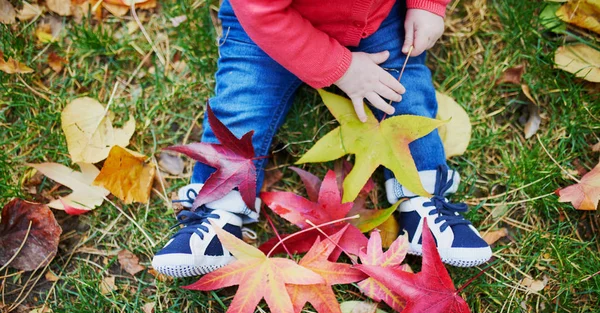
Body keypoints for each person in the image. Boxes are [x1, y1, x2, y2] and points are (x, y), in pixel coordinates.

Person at [151, 0, 492, 277]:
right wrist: (341, 68)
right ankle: (217, 216)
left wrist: (427, 5)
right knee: (242, 105)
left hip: (377, 20)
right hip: (269, 30)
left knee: (407, 94)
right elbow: (262, 11)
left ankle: (422, 202)